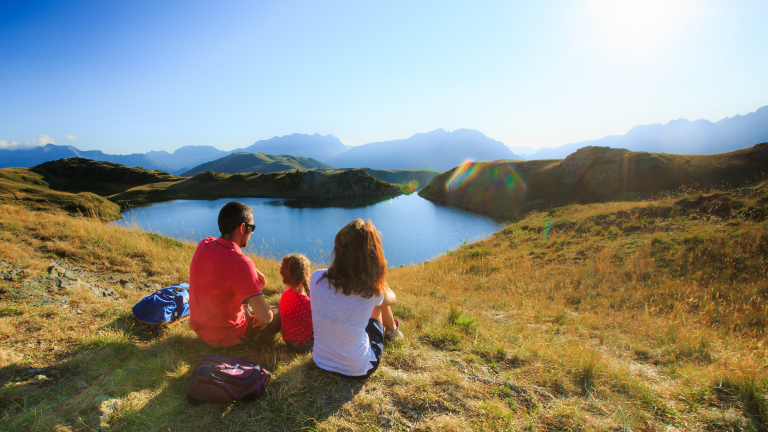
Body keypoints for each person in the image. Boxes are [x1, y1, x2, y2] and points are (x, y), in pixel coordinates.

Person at [310, 218, 403, 378]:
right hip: (358, 368)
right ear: (373, 255)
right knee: (379, 302)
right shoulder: (370, 289)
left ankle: (392, 331)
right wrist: (377, 281)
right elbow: (392, 299)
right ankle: (393, 331)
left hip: (320, 361)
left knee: (375, 298)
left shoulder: (316, 277)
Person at [189, 201, 280, 347]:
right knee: (283, 311)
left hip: (200, 330)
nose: (252, 233)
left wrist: (253, 271)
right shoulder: (241, 264)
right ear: (242, 228)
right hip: (229, 337)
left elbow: (223, 268)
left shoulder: (204, 244)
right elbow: (265, 318)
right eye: (251, 228)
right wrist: (261, 316)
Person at [278, 254, 314, 352]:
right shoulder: (308, 302)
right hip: (303, 344)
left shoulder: (285, 295)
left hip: (287, 340)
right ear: (306, 275)